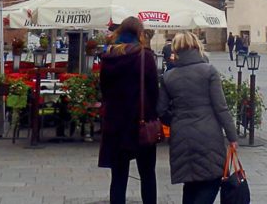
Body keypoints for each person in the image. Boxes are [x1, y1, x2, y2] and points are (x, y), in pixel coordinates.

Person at [158, 32, 238, 204]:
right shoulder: (208, 71)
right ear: (197, 46)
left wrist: (176, 120)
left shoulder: (168, 76)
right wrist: (232, 136)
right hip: (208, 132)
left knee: (191, 183)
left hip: (181, 135)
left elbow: (161, 109)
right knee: (212, 180)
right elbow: (221, 107)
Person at [98, 16, 159, 204]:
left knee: (118, 176)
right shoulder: (144, 56)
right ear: (139, 33)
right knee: (147, 174)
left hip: (115, 124)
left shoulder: (108, 57)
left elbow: (104, 90)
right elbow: (153, 91)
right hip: (141, 120)